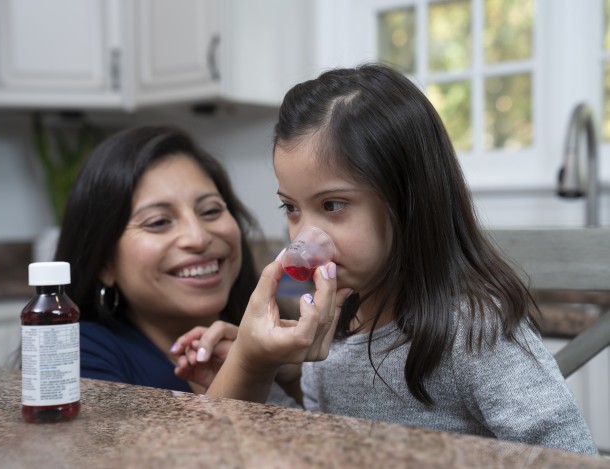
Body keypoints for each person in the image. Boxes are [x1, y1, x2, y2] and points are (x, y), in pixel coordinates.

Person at [173, 64, 598, 455]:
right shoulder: (333, 317)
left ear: (408, 201)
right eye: (291, 208)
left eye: (334, 205)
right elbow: (318, 440)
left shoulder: (472, 327)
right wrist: (260, 368)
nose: (305, 238)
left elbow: (568, 453)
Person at [53, 125, 262, 393]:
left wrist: (292, 378)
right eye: (159, 222)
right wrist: (248, 369)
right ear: (104, 262)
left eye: (210, 211)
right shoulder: (78, 354)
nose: (198, 238)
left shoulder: (282, 328)